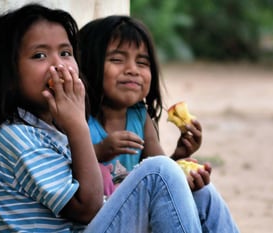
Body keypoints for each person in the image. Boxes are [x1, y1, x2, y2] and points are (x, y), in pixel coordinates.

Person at [0, 3, 235, 233]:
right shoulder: (18, 137)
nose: (59, 66)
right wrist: (77, 123)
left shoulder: (49, 129)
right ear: (9, 75)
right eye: (39, 55)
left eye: (66, 53)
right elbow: (87, 207)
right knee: (159, 171)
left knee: (201, 193)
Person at [78, 15, 240, 232]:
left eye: (142, 62)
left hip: (135, 222)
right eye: (117, 60)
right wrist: (98, 151)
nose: (132, 69)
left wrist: (179, 159)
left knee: (203, 192)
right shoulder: (79, 118)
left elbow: (160, 178)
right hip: (98, 222)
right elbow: (67, 172)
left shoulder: (139, 116)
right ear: (89, 64)